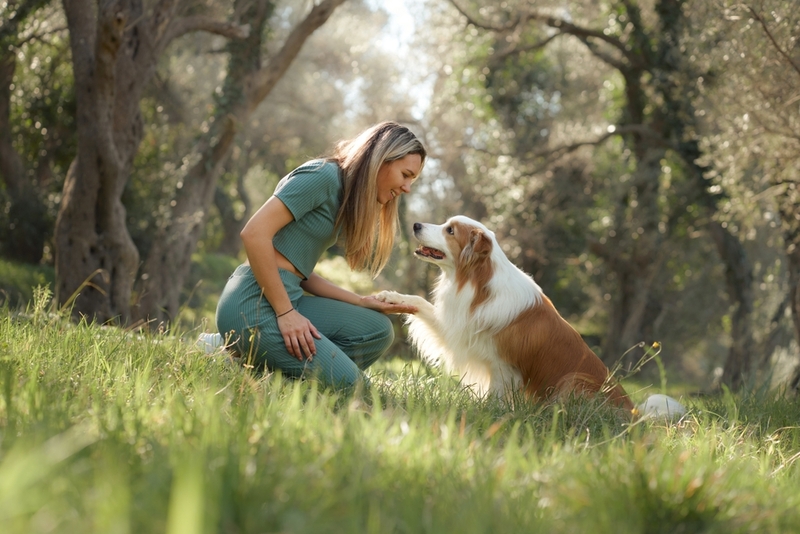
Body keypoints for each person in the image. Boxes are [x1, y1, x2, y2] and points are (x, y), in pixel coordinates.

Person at [214, 121, 426, 388]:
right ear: (382, 159)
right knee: (355, 389)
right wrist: (285, 313)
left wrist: (361, 301)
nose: (407, 188)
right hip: (251, 303)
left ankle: (265, 371)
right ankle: (232, 348)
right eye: (405, 175)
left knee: (377, 330)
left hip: (289, 295)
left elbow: (300, 273)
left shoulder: (343, 194)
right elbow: (254, 234)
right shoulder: (322, 176)